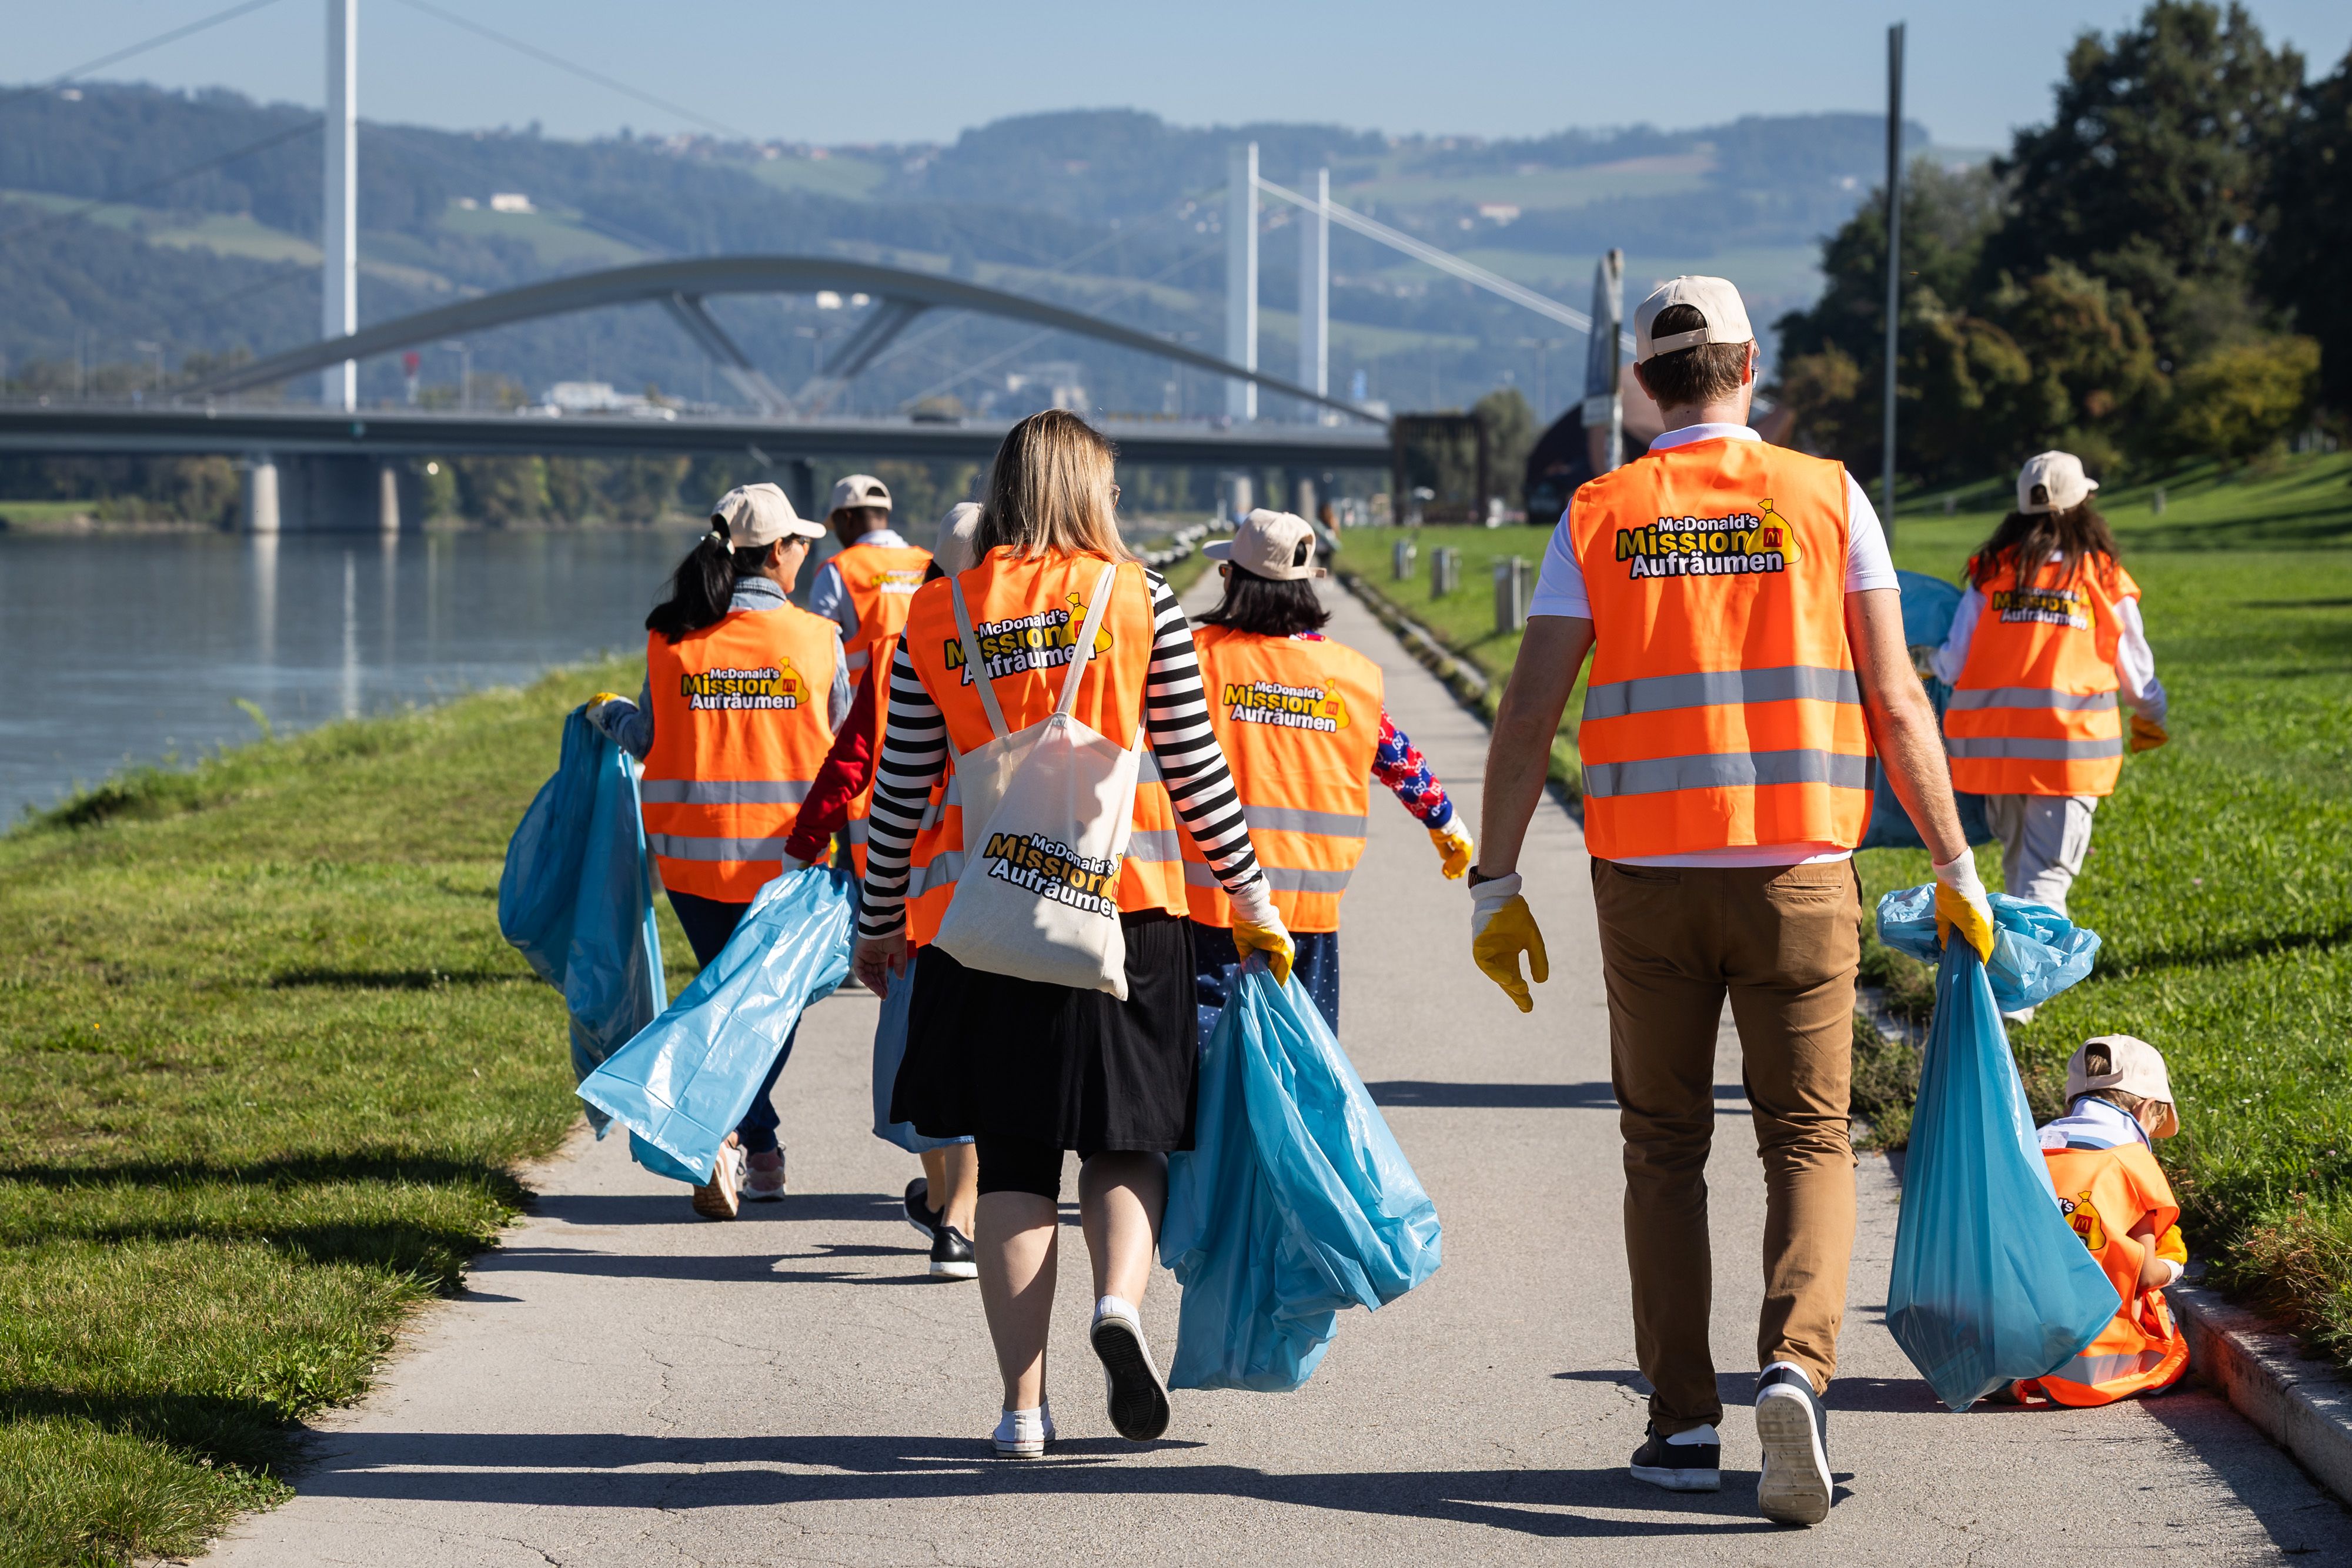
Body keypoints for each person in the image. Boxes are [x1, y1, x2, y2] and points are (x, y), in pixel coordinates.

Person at [1469, 276, 1996, 1526]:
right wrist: (1955, 864)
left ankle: (1679, 1422)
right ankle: (1795, 1370)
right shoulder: (1827, 497)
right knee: (1807, 1137)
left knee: (1662, 1146)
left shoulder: (1599, 511)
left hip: (1646, 878)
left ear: (1643, 384)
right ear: (1750, 365)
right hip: (1800, 870)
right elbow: (1896, 699)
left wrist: (1494, 878)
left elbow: (1529, 710)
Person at [851, 410, 1291, 1458]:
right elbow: (1195, 769)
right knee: (1126, 1138)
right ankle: (1120, 1303)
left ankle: (1022, 1409)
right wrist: (1252, 898)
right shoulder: (1138, 597)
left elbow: (900, 790)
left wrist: (878, 923)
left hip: (990, 923)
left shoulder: (937, 608)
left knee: (1012, 1160)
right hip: (1127, 911)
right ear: (1091, 491)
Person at [586, 483, 850, 1220]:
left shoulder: (671, 638)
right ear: (779, 552)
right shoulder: (817, 639)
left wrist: (610, 715)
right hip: (790, 865)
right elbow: (846, 749)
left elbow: (650, 739)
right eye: (801, 544)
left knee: (724, 998)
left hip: (692, 861)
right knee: (769, 1009)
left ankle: (754, 1150)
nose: (806, 554)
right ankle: (729, 1135)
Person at [781, 503, 984, 1282]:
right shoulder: (1033, 644)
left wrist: (809, 844)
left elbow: (857, 759)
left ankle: (945, 1207)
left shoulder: (905, 645)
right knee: (980, 1050)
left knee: (920, 1046)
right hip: (1005, 883)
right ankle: (957, 1216)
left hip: (914, 890)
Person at [1184, 507, 1475, 1031]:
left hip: (1211, 902)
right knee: (1305, 1051)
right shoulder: (1349, 677)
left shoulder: (1197, 660)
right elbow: (1399, 759)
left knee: (1207, 1054)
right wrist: (1446, 821)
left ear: (1236, 581)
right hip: (1308, 910)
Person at [1932, 450, 2167, 924]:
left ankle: (2007, 970)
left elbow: (1952, 664)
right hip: (2067, 755)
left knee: (2020, 873)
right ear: (2082, 506)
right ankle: (2026, 977)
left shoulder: (1992, 572)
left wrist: (1923, 660)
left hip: (1996, 754)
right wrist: (2151, 717)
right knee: (2044, 884)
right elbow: (2138, 677)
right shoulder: (2100, 576)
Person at [2017, 1035, 2189, 1405]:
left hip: (2012, 1345)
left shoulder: (2029, 1146)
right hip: (2092, 1367)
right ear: (2145, 1108)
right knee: (2172, 1348)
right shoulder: (2134, 1162)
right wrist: (2175, 1264)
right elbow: (2145, 1276)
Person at [807, 473, 931, 689]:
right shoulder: (930, 563)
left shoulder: (837, 569)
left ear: (846, 518)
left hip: (862, 702)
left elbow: (819, 648)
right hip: (926, 699)